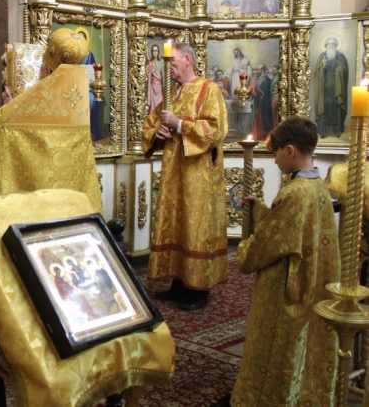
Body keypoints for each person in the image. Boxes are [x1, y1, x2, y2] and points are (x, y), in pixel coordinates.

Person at [227, 117, 339, 406]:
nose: (274, 159)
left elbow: (269, 244)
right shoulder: (317, 187)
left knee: (274, 346)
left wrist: (244, 251)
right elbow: (291, 231)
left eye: (276, 152)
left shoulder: (294, 192)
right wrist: (261, 211)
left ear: (290, 150)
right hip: (311, 282)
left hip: (284, 286)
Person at [142, 42, 228, 311]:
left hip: (197, 173)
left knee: (195, 223)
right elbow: (152, 122)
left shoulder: (208, 89)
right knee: (176, 222)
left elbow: (216, 129)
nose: (170, 68)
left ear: (188, 59)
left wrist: (180, 125)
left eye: (174, 62)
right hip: (173, 172)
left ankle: (199, 288)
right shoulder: (173, 93)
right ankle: (178, 282)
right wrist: (157, 134)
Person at [0, 28, 102, 212]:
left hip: (40, 203)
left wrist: (10, 107)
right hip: (71, 201)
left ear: (48, 63)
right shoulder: (81, 96)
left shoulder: (39, 99)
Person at [313, 36, 349, 137]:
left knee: (336, 108)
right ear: (326, 45)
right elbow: (316, 73)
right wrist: (322, 67)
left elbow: (344, 71)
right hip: (324, 90)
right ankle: (323, 132)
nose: (331, 46)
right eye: (329, 44)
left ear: (336, 46)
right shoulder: (321, 57)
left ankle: (337, 131)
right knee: (324, 109)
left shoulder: (340, 57)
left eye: (333, 44)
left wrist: (339, 67)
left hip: (337, 90)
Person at [147, 44, 164, 112]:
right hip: (152, 88)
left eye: (156, 51)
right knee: (153, 107)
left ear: (158, 52)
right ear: (152, 52)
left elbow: (163, 76)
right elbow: (149, 77)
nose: (155, 52)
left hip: (159, 88)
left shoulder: (161, 62)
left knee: (159, 105)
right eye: (153, 51)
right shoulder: (150, 63)